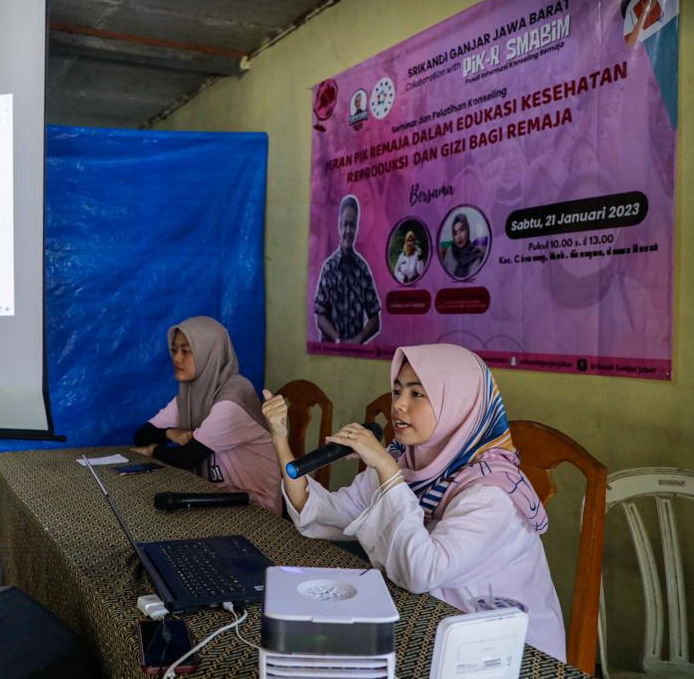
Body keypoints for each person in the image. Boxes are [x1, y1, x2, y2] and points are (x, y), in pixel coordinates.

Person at [261, 343, 566, 660]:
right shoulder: (404, 462)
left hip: (501, 652)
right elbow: (319, 512)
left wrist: (388, 472)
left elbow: (422, 572)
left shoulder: (491, 492)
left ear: (458, 404)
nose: (399, 406)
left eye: (417, 394)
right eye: (397, 392)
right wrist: (280, 438)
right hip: (429, 625)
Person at [132, 316, 281, 514]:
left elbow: (187, 458)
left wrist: (153, 451)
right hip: (213, 496)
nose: (176, 358)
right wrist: (170, 433)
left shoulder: (234, 398)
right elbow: (142, 435)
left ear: (210, 353)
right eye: (175, 350)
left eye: (186, 351)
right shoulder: (192, 394)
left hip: (255, 506)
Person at [313, 195, 381, 343]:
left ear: (356, 228)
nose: (348, 230)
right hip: (329, 351)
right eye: (345, 224)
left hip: (355, 354)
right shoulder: (329, 268)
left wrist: (358, 340)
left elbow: (375, 320)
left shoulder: (362, 269)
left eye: (352, 225)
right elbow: (320, 317)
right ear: (339, 225)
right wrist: (338, 341)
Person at [443, 213, 484, 279]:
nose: (459, 236)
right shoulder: (450, 251)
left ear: (467, 230)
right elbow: (443, 277)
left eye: (462, 230)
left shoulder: (476, 256)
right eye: (455, 233)